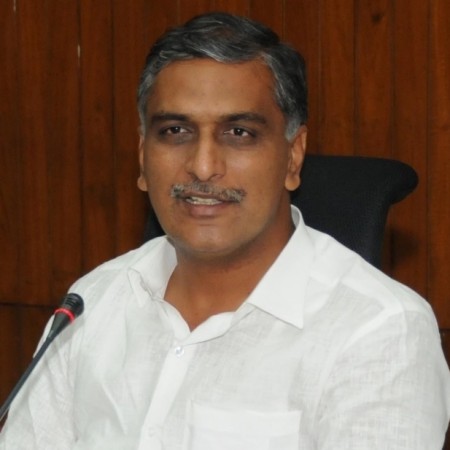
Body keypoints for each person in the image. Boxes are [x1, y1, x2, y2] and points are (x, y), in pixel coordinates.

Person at [1, 11, 449, 450]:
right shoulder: (94, 301)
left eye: (238, 132)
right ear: (142, 157)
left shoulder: (378, 331)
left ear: (293, 156)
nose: (202, 166)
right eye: (175, 130)